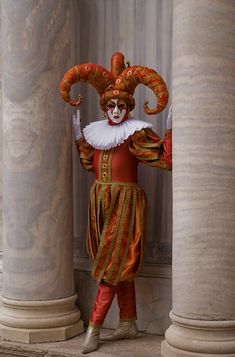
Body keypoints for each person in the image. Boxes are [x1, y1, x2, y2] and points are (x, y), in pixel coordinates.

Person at [60, 52, 172, 354]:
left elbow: (164, 160)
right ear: (104, 108)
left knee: (110, 266)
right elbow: (88, 165)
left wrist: (171, 132)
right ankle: (128, 322)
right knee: (113, 263)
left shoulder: (135, 134)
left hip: (125, 202)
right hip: (99, 201)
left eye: (122, 105)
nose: (116, 110)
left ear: (129, 107)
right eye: (111, 105)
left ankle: (95, 327)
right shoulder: (99, 134)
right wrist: (79, 139)